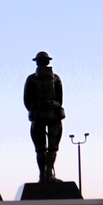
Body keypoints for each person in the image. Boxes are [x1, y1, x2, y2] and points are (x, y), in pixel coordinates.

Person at [23, 51, 64, 182]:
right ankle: (49, 174)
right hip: (54, 116)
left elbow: (26, 100)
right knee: (53, 147)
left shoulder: (31, 79)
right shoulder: (56, 78)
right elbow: (60, 99)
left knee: (40, 149)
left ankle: (42, 175)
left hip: (38, 116)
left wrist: (34, 109)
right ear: (48, 62)